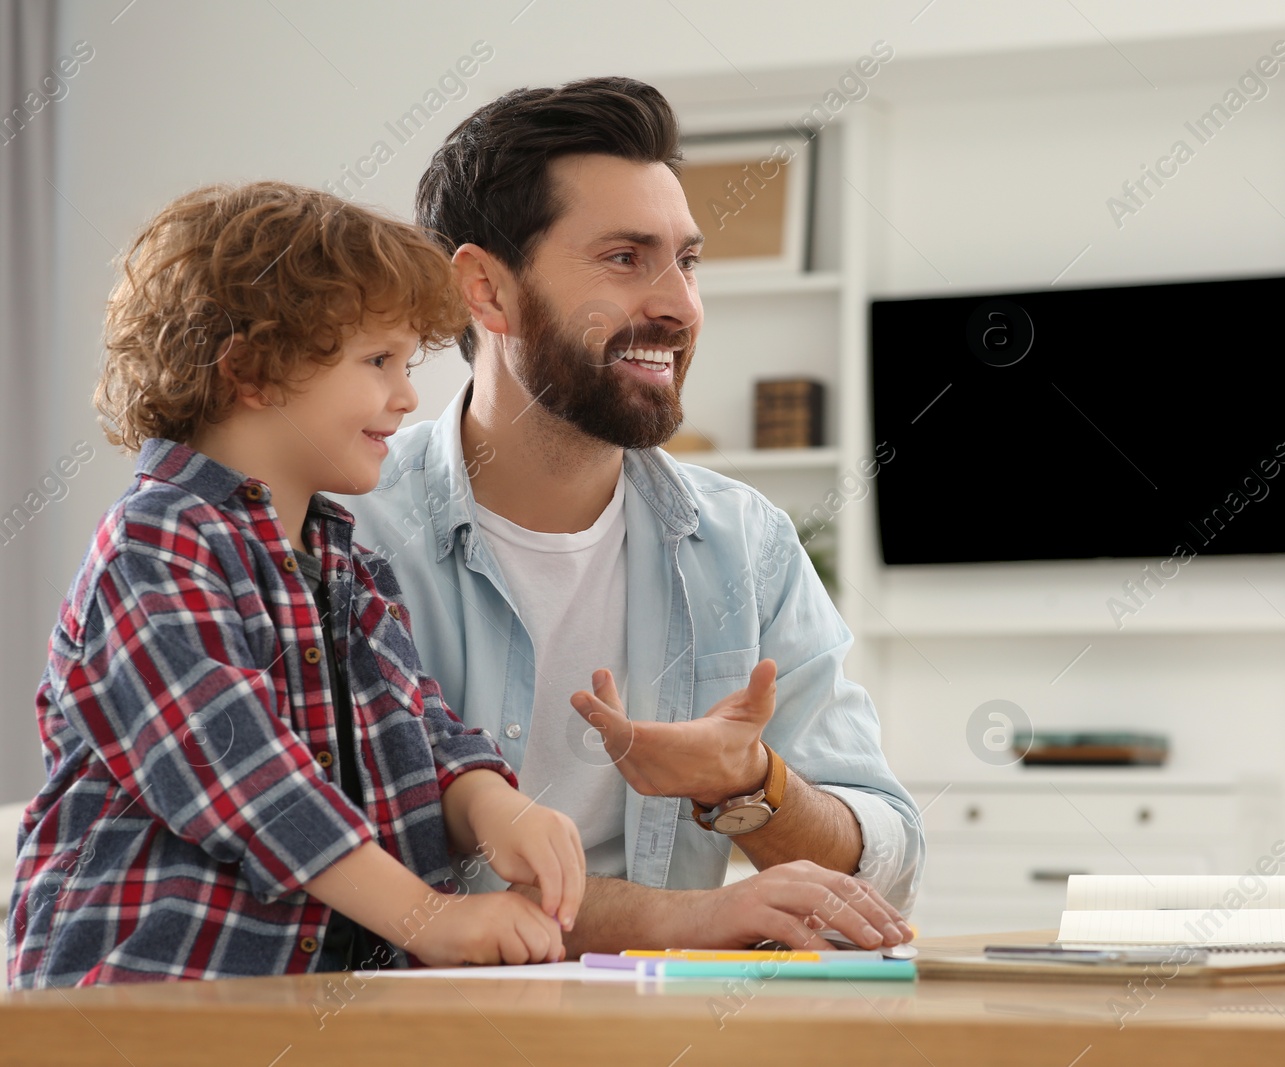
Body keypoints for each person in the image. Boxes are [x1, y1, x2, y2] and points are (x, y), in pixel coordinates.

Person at [339, 77, 923, 955]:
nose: (680, 305)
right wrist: (683, 918)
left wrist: (751, 784)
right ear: (487, 292)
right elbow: (344, 876)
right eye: (625, 258)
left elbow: (883, 863)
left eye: (686, 261)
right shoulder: (343, 536)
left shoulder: (744, 545)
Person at [7, 182, 585, 988]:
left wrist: (491, 803)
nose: (407, 394)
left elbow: (423, 730)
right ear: (251, 370)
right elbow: (247, 780)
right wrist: (431, 917)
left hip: (320, 1003)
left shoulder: (347, 562)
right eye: (377, 360)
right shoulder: (157, 547)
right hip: (144, 1003)